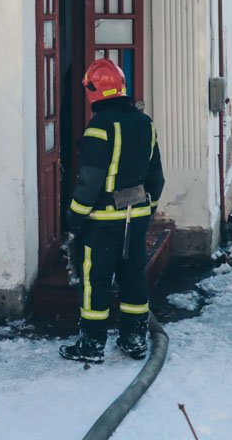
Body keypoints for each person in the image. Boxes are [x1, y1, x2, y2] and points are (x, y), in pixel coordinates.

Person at [59, 58, 165, 364]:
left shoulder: (98, 128)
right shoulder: (146, 124)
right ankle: (134, 340)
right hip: (136, 220)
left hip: (102, 223)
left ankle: (92, 345)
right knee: (134, 277)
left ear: (94, 91)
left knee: (96, 282)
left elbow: (89, 182)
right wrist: (147, 210)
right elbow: (156, 178)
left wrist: (74, 219)